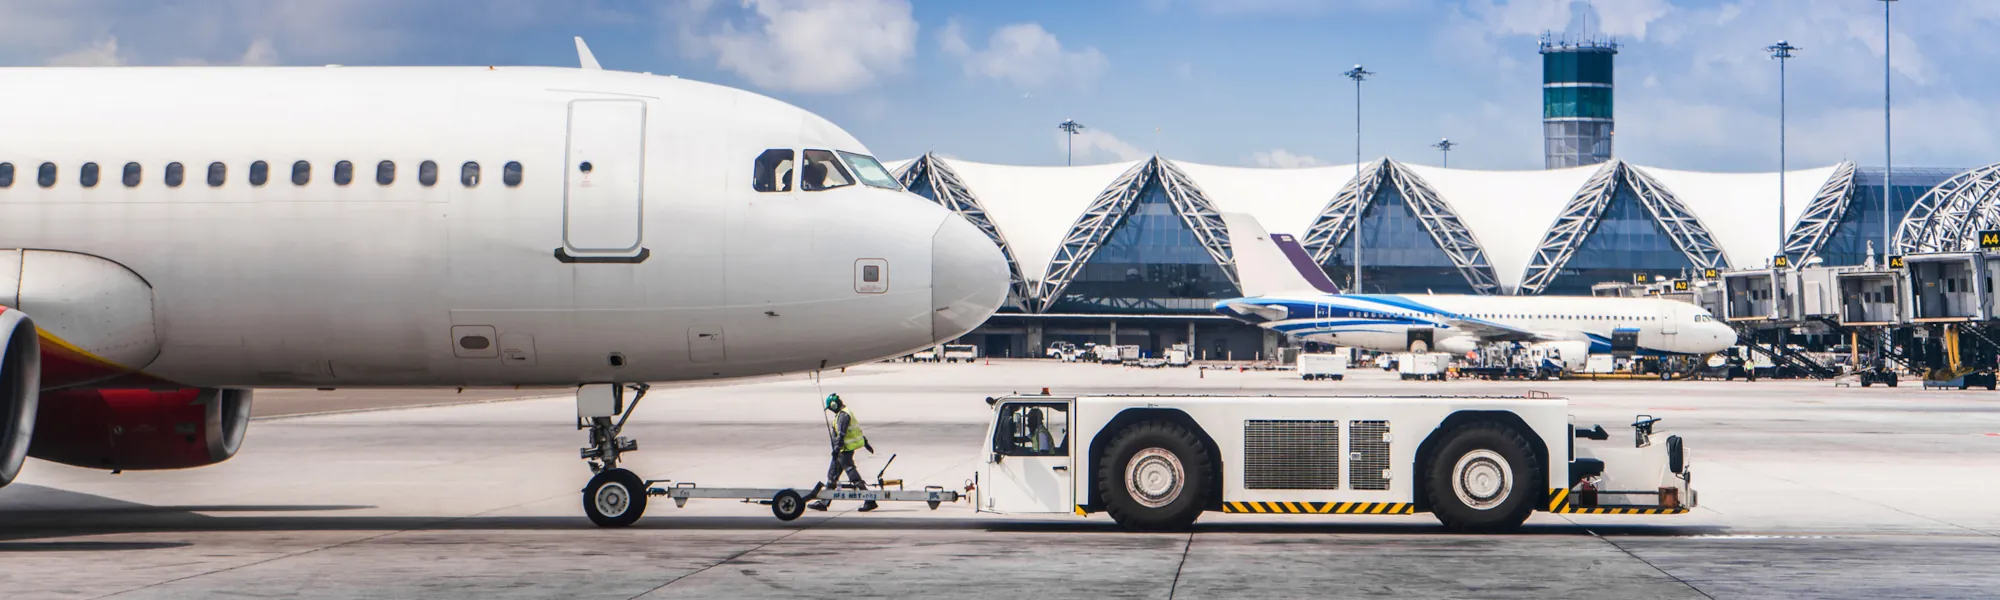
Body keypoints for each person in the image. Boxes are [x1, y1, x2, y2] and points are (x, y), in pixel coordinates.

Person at [811, 393, 877, 512]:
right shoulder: (844, 413)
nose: (831, 410)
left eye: (830, 408)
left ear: (834, 405)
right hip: (843, 450)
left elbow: (841, 434)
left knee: (852, 474)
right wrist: (865, 443)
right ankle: (824, 502)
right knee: (832, 477)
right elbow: (856, 431)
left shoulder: (843, 416)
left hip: (844, 450)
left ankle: (869, 500)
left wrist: (836, 450)